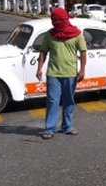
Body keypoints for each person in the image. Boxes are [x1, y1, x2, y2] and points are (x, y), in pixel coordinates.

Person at [35, 7, 87, 140]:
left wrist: (82, 70)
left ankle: (67, 126)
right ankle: (49, 128)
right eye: (53, 20)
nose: (54, 22)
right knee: (52, 101)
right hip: (53, 73)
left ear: (63, 19)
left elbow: (83, 52)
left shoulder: (76, 34)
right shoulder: (49, 34)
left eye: (56, 20)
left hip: (70, 73)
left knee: (69, 100)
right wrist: (39, 68)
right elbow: (43, 52)